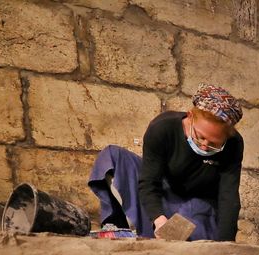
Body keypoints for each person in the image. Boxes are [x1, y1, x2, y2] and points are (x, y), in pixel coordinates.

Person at [88, 84, 244, 242]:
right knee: (112, 157)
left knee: (190, 225)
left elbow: (228, 198)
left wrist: (226, 244)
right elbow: (149, 181)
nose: (204, 146)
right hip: (162, 195)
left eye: (214, 143)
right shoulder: (163, 128)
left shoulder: (234, 144)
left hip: (198, 207)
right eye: (200, 137)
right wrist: (158, 218)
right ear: (190, 116)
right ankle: (120, 228)